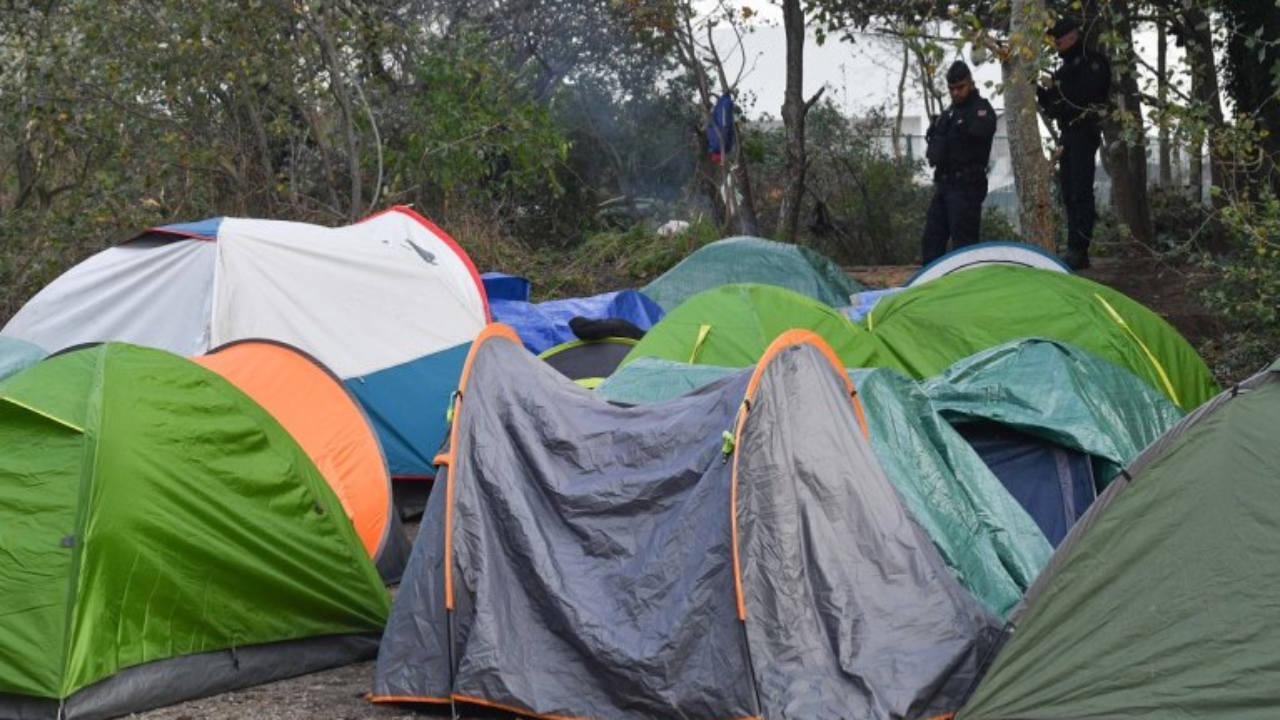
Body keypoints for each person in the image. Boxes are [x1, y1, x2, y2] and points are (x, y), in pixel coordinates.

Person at [1038, 17, 1111, 270]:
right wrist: (1041, 91)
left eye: (1058, 39)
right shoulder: (1063, 70)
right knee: (1068, 193)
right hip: (1067, 134)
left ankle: (1080, 248)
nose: (1055, 44)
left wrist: (1057, 87)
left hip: (1084, 132)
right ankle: (1074, 248)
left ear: (1072, 36)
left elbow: (1087, 96)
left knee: (1081, 191)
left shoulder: (1094, 62)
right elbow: (1053, 109)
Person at [920, 60, 998, 265]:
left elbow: (983, 130)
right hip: (944, 184)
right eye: (952, 89)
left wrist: (960, 126)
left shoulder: (980, 109)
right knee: (931, 240)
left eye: (960, 87)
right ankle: (932, 280)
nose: (956, 93)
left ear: (970, 83)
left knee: (964, 248)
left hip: (966, 187)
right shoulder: (949, 113)